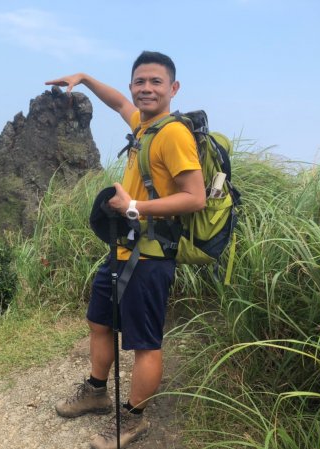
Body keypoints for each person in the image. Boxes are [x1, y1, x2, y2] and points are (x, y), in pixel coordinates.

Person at [45, 51, 206, 449]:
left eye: (155, 82)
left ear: (173, 88)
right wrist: (83, 78)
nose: (146, 88)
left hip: (151, 257)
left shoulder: (173, 134)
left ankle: (133, 419)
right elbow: (118, 102)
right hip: (122, 249)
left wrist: (134, 207)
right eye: (140, 82)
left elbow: (196, 198)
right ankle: (97, 392)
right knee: (99, 323)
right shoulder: (143, 123)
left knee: (145, 343)